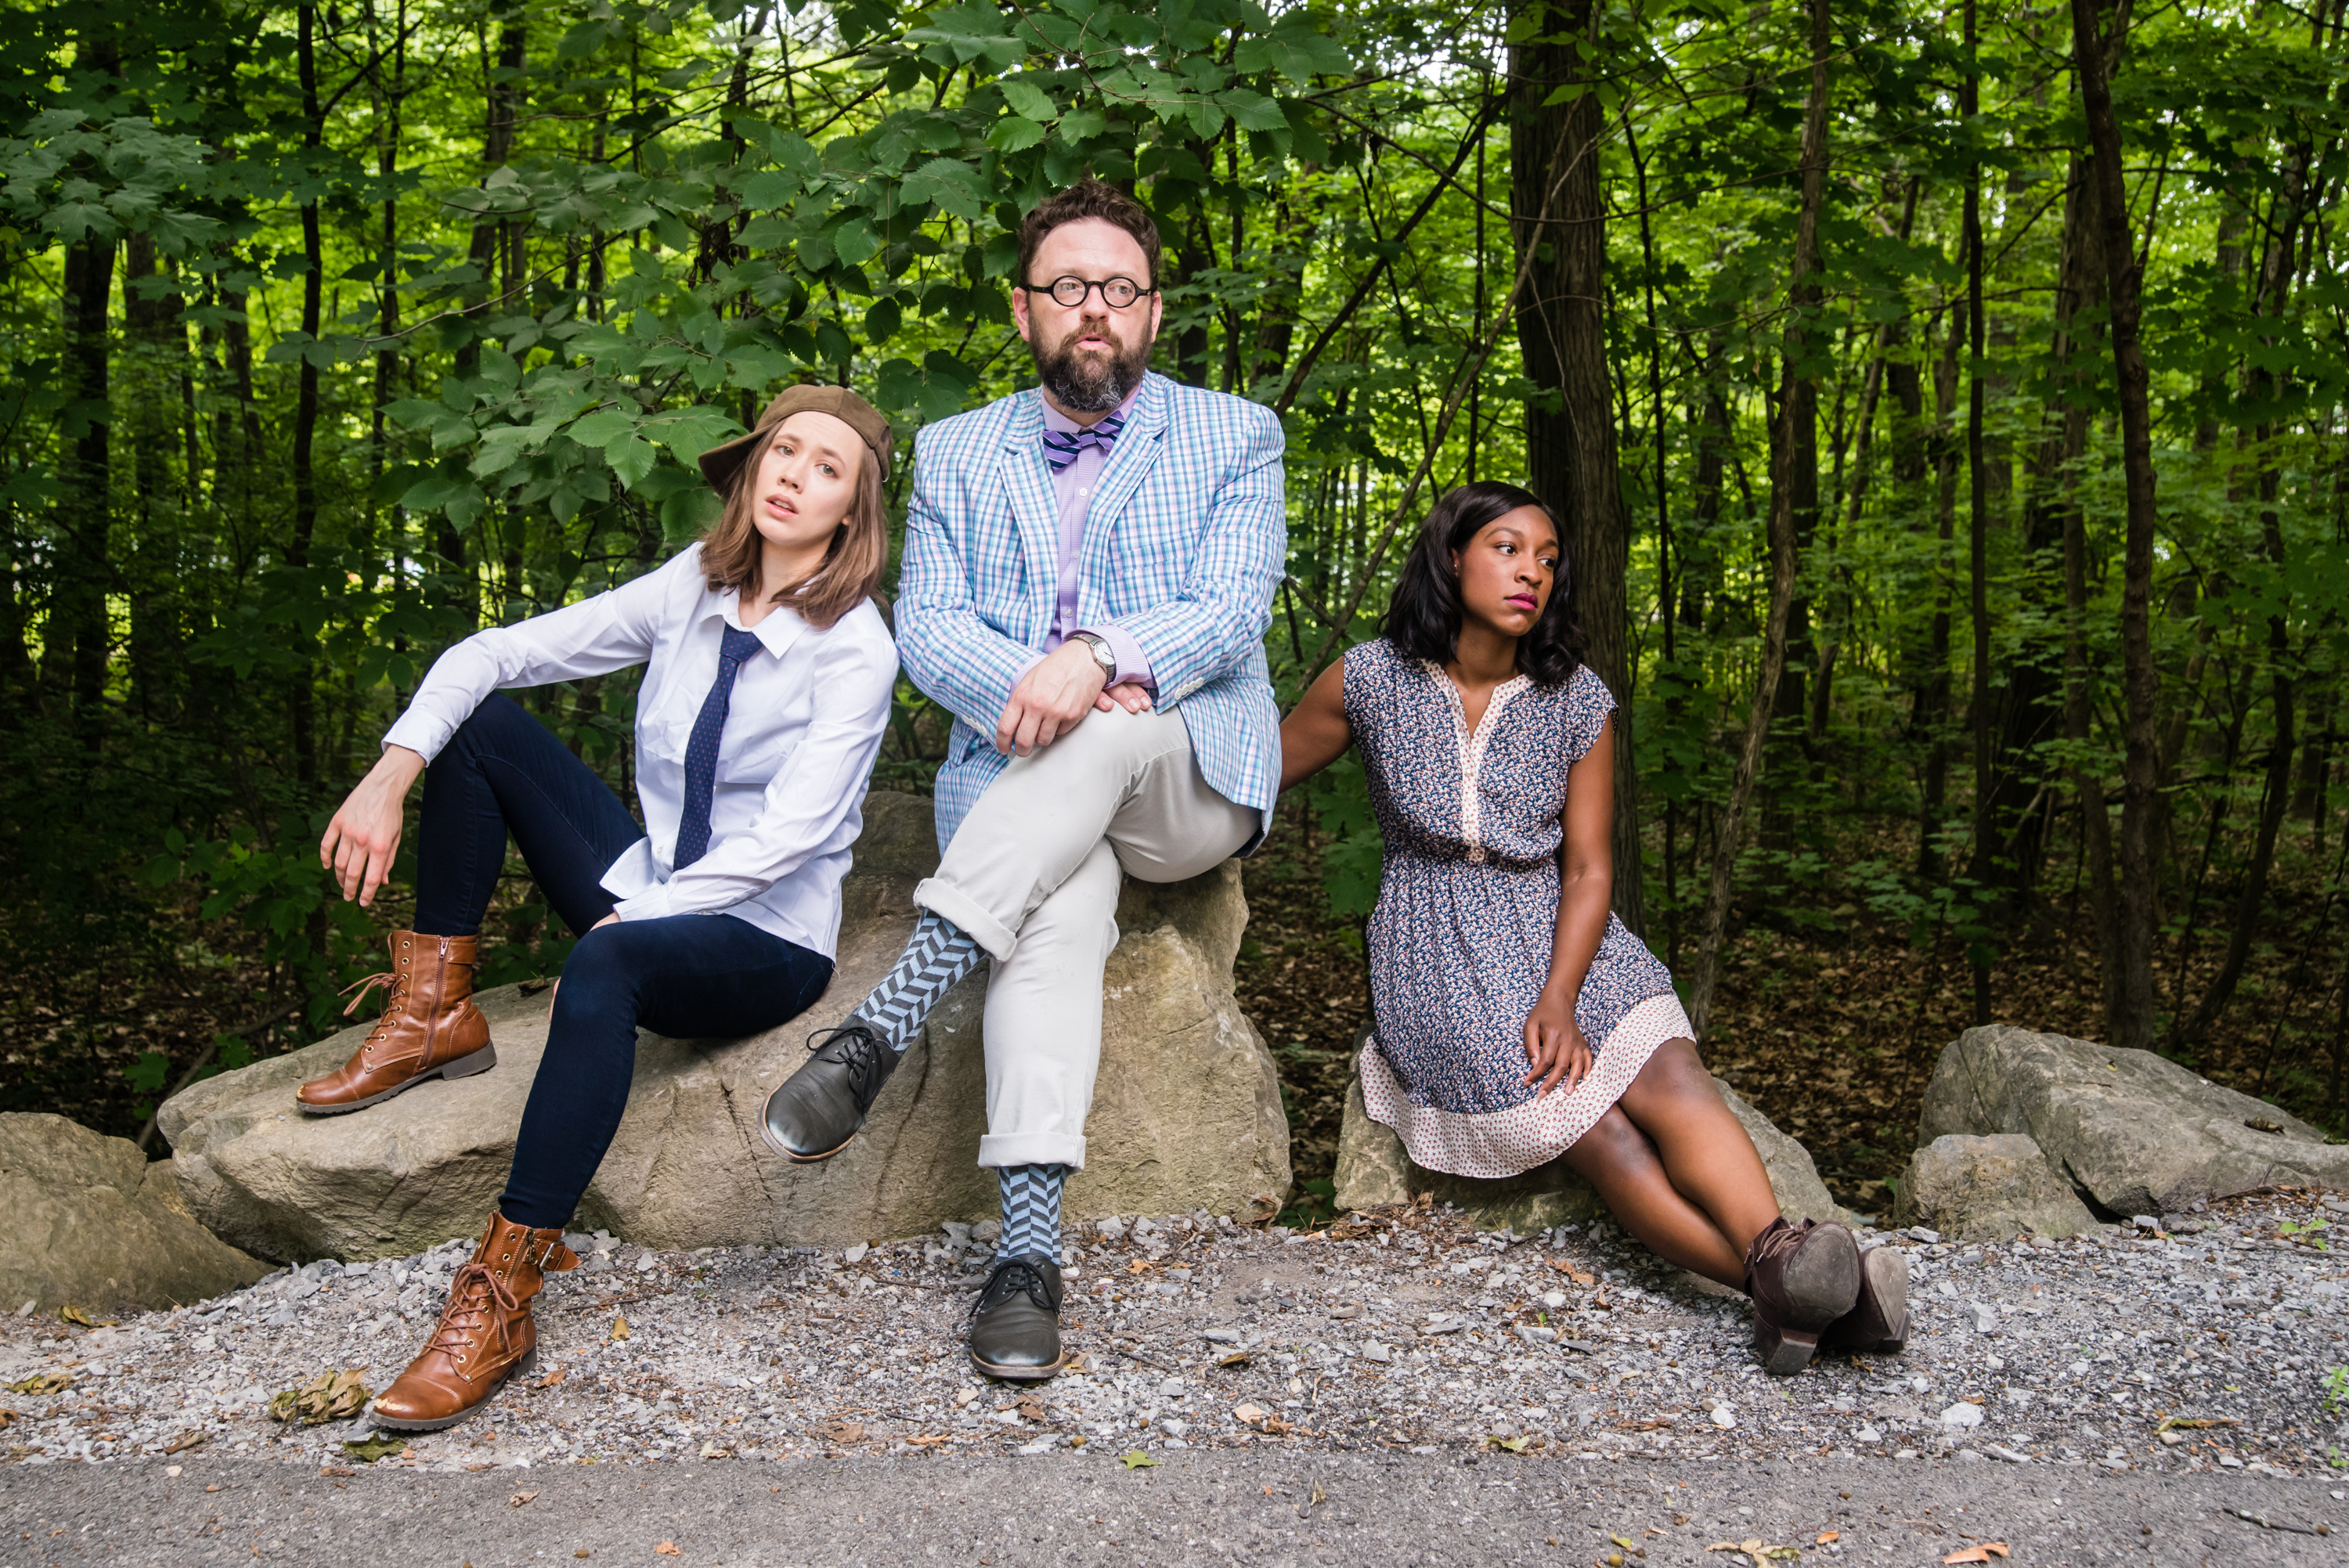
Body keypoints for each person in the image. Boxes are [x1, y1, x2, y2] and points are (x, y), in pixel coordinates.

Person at [756, 179, 1284, 1382]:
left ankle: (882, 1026)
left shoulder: (1236, 432)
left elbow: (1230, 608)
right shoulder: (951, 450)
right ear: (1023, 306)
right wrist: (1047, 688)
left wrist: (1094, 660)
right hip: (1021, 777)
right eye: (1066, 288)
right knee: (1055, 919)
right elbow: (932, 629)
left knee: (1105, 744)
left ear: (1151, 308)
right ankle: (1026, 1260)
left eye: (1117, 288)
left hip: (1188, 774)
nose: (1091, 309)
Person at [306, 385, 900, 1429]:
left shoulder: (855, 649)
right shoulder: (693, 586)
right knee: (479, 727)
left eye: (827, 467)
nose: (794, 474)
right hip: (657, 880)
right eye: (784, 451)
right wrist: (391, 769)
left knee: (606, 964)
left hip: (763, 934)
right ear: (752, 465)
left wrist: (652, 914)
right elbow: (493, 652)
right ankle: (433, 1006)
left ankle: (502, 1291)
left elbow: (792, 837)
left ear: (852, 510)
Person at [1277, 481, 1907, 1375]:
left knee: (1673, 1071)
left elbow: (1589, 867)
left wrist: (1563, 995)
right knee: (1599, 1128)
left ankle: (1777, 1254)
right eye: (1507, 547)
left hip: (1564, 925)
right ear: (1453, 555)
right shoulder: (1370, 678)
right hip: (1436, 948)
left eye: (1547, 556)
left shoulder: (1575, 697)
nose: (1531, 569)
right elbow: (1251, 775)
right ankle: (1808, 1298)